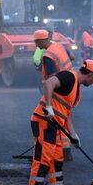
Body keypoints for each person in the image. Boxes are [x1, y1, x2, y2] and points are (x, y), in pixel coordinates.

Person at [27, 59, 93, 185]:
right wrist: (48, 107)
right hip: (44, 121)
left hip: (54, 125)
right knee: (42, 160)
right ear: (90, 74)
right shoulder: (69, 77)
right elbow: (48, 84)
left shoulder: (76, 89)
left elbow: (66, 112)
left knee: (56, 160)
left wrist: (73, 134)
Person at [34, 29, 75, 159]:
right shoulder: (58, 46)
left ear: (43, 40)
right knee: (63, 117)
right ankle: (66, 150)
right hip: (69, 83)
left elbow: (51, 78)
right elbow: (72, 57)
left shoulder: (48, 56)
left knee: (54, 120)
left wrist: (48, 105)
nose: (35, 44)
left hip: (58, 87)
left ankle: (55, 152)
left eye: (37, 41)